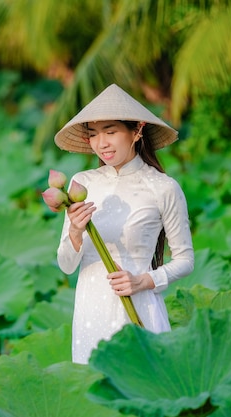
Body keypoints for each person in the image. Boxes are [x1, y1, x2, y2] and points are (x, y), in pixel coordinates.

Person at [53, 83, 194, 364]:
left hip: (139, 307)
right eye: (93, 135)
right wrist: (75, 232)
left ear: (137, 130)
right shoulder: (82, 184)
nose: (101, 143)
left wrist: (143, 281)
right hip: (90, 311)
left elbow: (186, 260)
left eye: (111, 131)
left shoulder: (163, 188)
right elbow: (66, 264)